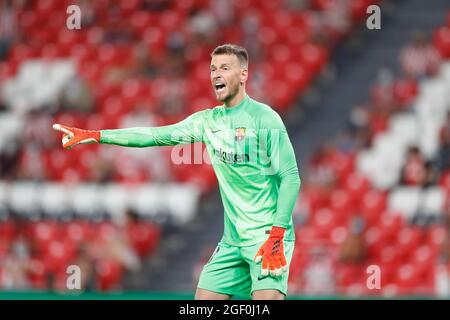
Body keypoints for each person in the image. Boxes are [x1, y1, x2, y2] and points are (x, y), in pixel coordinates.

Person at [52, 44, 301, 300]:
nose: (216, 74)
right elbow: (152, 135)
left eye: (224, 68)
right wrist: (97, 135)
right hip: (233, 241)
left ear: (243, 75)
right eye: (213, 69)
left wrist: (277, 234)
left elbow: (290, 177)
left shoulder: (264, 119)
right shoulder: (207, 121)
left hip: (268, 236)